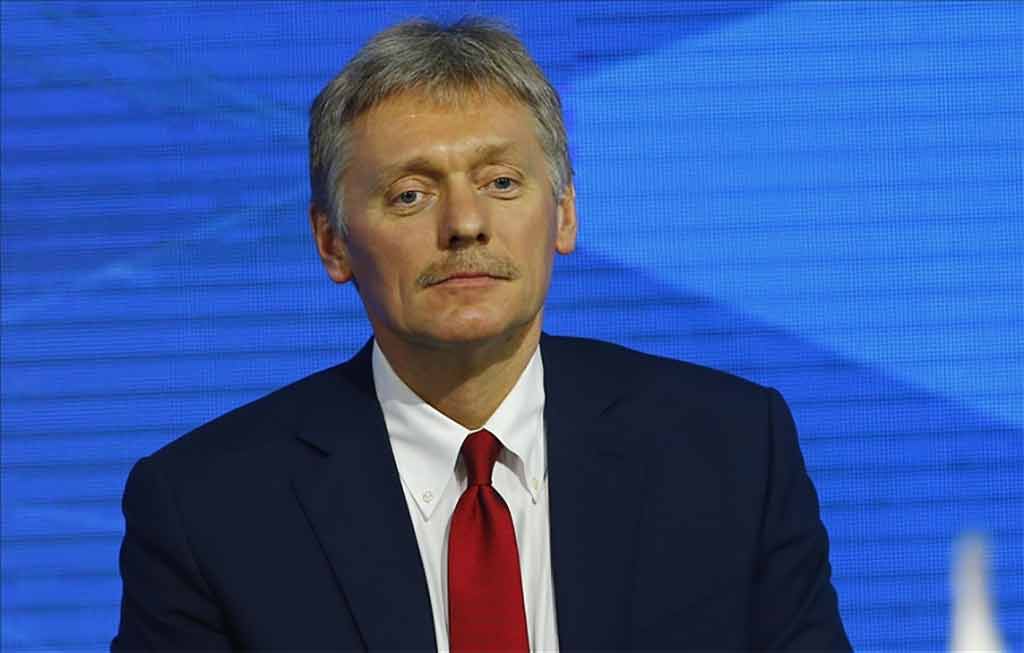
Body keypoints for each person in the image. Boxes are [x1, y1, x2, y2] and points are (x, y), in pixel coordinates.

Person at [112, 18, 851, 652]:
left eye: (501, 182)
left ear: (564, 214)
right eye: (410, 194)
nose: (465, 224)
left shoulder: (730, 451)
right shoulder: (208, 508)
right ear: (332, 242)